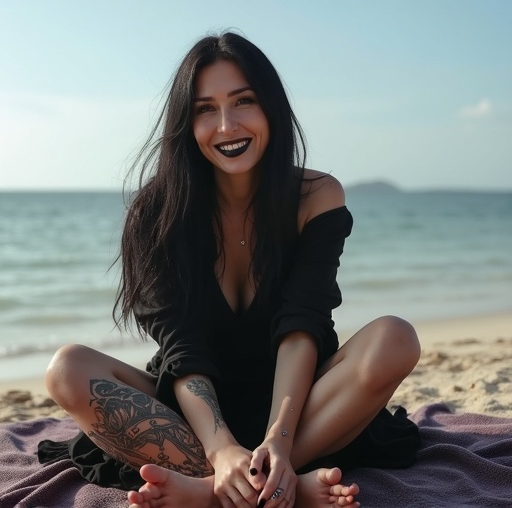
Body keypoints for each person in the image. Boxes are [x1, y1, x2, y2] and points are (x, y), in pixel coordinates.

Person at [40, 31, 421, 508]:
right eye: (205, 109)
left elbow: (301, 326)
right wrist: (220, 449)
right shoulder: (157, 214)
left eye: (244, 102)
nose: (227, 125)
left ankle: (228, 488)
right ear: (186, 123)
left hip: (302, 409)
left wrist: (278, 443)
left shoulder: (316, 197)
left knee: (395, 337)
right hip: (195, 415)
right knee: (66, 370)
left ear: (271, 109)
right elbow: (183, 350)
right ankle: (262, 485)